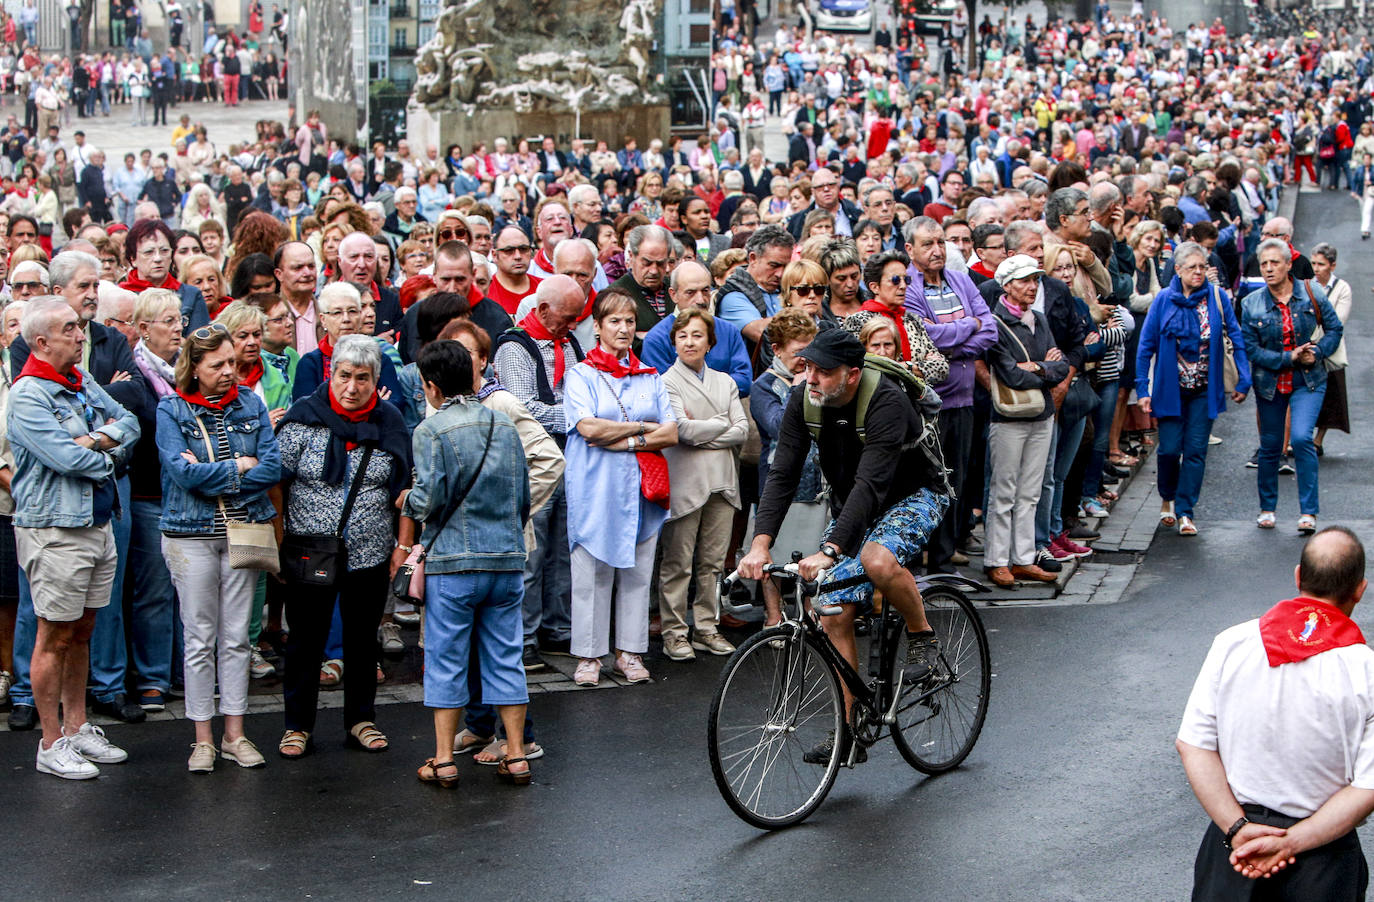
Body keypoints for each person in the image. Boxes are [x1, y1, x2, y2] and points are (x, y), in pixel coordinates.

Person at [739, 324, 951, 762]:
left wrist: (832, 549)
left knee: (876, 559)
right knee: (831, 607)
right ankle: (850, 734)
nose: (810, 377)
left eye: (823, 371)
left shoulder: (886, 400)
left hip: (915, 494)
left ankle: (923, 636)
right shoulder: (804, 399)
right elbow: (783, 473)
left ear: (852, 374)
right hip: (854, 504)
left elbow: (872, 484)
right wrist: (761, 544)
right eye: (808, 366)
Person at [1178, 526, 1374, 900]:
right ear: (1360, 590)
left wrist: (1236, 829)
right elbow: (1368, 787)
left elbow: (1193, 745)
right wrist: (1291, 842)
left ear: (1298, 577)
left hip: (1234, 851)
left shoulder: (1231, 643)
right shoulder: (1367, 670)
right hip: (1323, 861)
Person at [9, 296, 139, 778]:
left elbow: (129, 422)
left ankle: (77, 727)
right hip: (56, 531)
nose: (82, 335)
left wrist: (94, 440)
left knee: (82, 630)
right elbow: (69, 460)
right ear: (42, 341)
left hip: (97, 522)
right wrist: (104, 449)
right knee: (54, 635)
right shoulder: (27, 395)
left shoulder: (79, 380)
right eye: (71, 329)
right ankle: (49, 742)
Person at [401, 340, 533, 788]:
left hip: (454, 562)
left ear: (432, 387)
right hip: (506, 558)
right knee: (505, 657)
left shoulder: (431, 431)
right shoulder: (504, 425)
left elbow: (428, 497)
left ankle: (443, 759)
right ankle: (515, 754)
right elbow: (523, 497)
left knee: (447, 660)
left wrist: (406, 501)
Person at [275, 334, 412, 760]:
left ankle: (361, 719)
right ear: (331, 374)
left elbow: (407, 489)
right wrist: (278, 540)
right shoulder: (303, 418)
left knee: (361, 640)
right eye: (344, 376)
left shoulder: (390, 423)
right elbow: (276, 483)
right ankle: (297, 725)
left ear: (376, 380)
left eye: (363, 379)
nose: (352, 387)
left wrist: (402, 546)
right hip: (307, 551)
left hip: (370, 553)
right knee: (305, 641)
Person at [155, 321, 280, 773]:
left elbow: (273, 466)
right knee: (199, 637)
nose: (230, 370)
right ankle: (202, 738)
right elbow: (180, 474)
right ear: (195, 367)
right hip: (190, 535)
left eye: (232, 362)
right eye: (218, 364)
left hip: (242, 530)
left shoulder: (250, 401)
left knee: (235, 638)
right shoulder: (171, 410)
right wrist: (239, 467)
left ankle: (235, 734)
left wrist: (216, 470)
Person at [562, 287, 678, 687]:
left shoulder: (651, 376)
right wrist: (644, 427)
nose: (624, 328)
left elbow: (671, 431)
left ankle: (629, 653)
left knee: (637, 569)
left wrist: (628, 439)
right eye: (614, 321)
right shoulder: (581, 375)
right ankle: (589, 656)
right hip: (596, 488)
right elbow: (588, 427)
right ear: (597, 326)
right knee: (592, 568)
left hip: (643, 488)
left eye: (630, 321)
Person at [1135, 242, 1250, 537]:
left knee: (1197, 451)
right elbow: (1145, 346)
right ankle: (1167, 497)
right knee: (1170, 449)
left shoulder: (1216, 297)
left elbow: (1235, 335)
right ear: (1178, 270)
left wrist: (1243, 377)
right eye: (1192, 268)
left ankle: (1186, 510)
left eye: (1203, 266)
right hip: (1169, 389)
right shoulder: (1163, 300)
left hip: (1203, 388)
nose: (1199, 272)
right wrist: (1142, 388)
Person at [657, 308, 748, 661]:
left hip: (723, 482)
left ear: (710, 342)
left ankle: (706, 628)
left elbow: (742, 431)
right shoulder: (666, 381)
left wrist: (703, 429)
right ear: (674, 342)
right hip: (685, 481)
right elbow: (680, 431)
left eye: (697, 335)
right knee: (677, 562)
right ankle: (675, 632)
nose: (690, 342)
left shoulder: (725, 381)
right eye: (682, 336)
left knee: (711, 563)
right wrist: (719, 424)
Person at [1242, 239, 1343, 535]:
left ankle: (1308, 512)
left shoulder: (1312, 293)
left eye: (1275, 263)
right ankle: (1267, 509)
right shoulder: (1251, 304)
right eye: (1264, 264)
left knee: (1301, 439)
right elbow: (1252, 350)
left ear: (1288, 265)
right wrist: (1289, 356)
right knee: (1270, 446)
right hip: (1270, 382)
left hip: (1308, 379)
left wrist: (1319, 352)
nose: (1269, 268)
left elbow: (1335, 329)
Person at [982, 255, 1070, 588]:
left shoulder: (1041, 319)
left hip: (1042, 413)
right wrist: (1042, 368)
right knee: (1004, 489)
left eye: (1034, 280)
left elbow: (1060, 366)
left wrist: (1035, 368)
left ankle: (1023, 556)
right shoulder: (996, 322)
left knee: (1030, 489)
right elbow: (1009, 374)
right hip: (1009, 415)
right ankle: (997, 559)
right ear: (1006, 285)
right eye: (1023, 281)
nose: (1031, 287)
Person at [842, 249, 949, 384]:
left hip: (916, 402)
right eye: (895, 280)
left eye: (907, 279)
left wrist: (903, 366)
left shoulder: (912, 319)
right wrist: (916, 367)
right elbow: (865, 368)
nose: (903, 286)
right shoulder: (858, 321)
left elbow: (941, 369)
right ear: (874, 287)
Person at [292, 282, 402, 403]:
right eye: (337, 313)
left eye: (352, 311)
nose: (346, 319)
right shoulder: (310, 363)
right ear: (323, 320)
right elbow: (306, 411)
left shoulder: (381, 359)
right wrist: (371, 403)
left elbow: (394, 404)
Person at [117, 219, 212, 335]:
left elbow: (200, 344)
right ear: (133, 258)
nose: (158, 258)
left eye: (164, 251)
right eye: (149, 252)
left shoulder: (191, 295)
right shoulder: (120, 296)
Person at [1309, 243, 1351, 456]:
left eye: (1321, 264)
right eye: (1314, 263)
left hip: (1330, 348)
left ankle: (1318, 439)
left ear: (1332, 266)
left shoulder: (1342, 288)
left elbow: (1338, 321)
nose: (1316, 268)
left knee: (1331, 394)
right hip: (1306, 346)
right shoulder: (1306, 285)